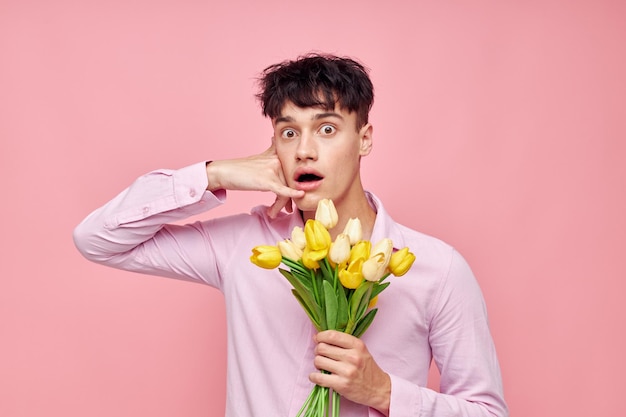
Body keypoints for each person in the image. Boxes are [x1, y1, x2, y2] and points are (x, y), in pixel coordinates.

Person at [73, 53, 508, 417]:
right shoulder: (244, 245)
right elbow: (96, 238)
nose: (304, 149)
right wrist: (215, 173)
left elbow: (488, 411)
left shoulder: (436, 267)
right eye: (288, 132)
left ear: (365, 138)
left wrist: (384, 392)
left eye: (327, 129)